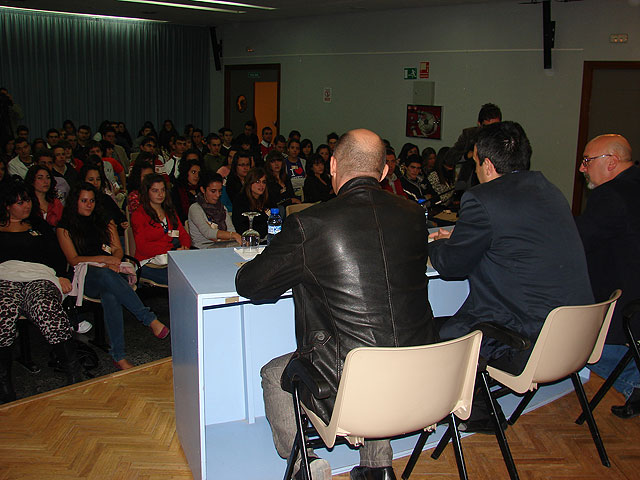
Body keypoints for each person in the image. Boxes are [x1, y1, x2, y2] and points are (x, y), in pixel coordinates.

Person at [236, 129, 436, 480]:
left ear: (331, 165)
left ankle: (305, 464)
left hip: (347, 384)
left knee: (273, 373)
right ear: (385, 171)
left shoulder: (310, 224)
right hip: (419, 375)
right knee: (381, 350)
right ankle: (378, 465)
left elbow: (251, 284)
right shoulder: (412, 216)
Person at [429, 121, 593, 431]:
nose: (475, 170)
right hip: (574, 335)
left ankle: (477, 415)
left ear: (488, 165)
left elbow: (451, 266)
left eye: (475, 162)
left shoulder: (482, 200)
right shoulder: (550, 190)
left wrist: (439, 244)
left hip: (527, 341)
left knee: (431, 329)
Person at [57, 184, 168, 371]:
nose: (88, 205)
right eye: (84, 201)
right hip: (86, 275)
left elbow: (118, 249)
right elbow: (73, 259)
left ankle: (119, 356)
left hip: (111, 271)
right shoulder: (65, 226)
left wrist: (113, 261)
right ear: (75, 202)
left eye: (91, 201)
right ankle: (148, 318)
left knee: (110, 295)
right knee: (103, 273)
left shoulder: (105, 220)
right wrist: (103, 260)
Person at [0, 179, 82, 403]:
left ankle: (74, 371)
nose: (25, 206)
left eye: (27, 201)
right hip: (5, 276)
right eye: (19, 203)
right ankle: (4, 381)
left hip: (39, 276)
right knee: (4, 311)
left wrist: (62, 275)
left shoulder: (38, 226)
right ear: (7, 205)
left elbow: (56, 255)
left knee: (46, 307)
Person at [575, 134, 640, 418]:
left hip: (621, 301)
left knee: (577, 346)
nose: (582, 168)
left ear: (612, 162)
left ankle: (636, 383)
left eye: (588, 160)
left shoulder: (610, 195)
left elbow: (578, 241)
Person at [131, 174, 191, 284]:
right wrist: (171, 250)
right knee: (184, 281)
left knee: (194, 273)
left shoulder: (169, 211)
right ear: (147, 192)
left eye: (163, 190)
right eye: (155, 191)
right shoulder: (139, 215)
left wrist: (184, 248)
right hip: (148, 262)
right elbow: (142, 246)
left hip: (173, 259)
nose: (160, 194)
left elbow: (183, 235)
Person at [445, 103, 502, 188]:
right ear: (479, 124)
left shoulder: (505, 139)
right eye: (487, 127)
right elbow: (449, 158)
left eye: (495, 127)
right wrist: (467, 155)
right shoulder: (469, 135)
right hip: (469, 185)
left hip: (495, 185)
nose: (491, 131)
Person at [188, 171, 241, 249]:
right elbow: (208, 232)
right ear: (203, 189)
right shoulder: (195, 208)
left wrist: (231, 235)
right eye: (213, 191)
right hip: (202, 249)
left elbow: (231, 229)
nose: (217, 195)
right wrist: (232, 235)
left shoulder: (222, 208)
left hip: (223, 246)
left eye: (220, 191)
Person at [231, 168, 270, 239]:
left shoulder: (268, 199)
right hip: (249, 240)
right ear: (249, 183)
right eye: (257, 181)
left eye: (263, 182)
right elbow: (240, 226)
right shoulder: (240, 200)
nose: (261, 185)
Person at [171, 155, 201, 223]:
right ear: (186, 172)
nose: (196, 176)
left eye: (199, 173)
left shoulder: (201, 189)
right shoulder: (176, 190)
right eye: (193, 172)